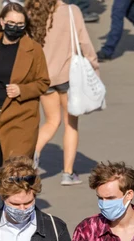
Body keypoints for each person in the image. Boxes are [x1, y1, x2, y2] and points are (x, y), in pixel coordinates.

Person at [0, 2, 51, 181]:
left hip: (20, 118)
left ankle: (24, 205)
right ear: (2, 22)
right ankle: (8, 206)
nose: (15, 28)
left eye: (20, 24)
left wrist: (22, 89)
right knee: (2, 173)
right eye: (11, 23)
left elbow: (43, 82)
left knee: (19, 171)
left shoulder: (33, 49)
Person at [27, 0, 100, 186]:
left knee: (51, 121)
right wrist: (94, 65)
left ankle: (33, 153)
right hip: (69, 76)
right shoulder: (71, 11)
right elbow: (84, 42)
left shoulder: (32, 12)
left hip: (44, 77)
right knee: (71, 124)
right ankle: (68, 173)